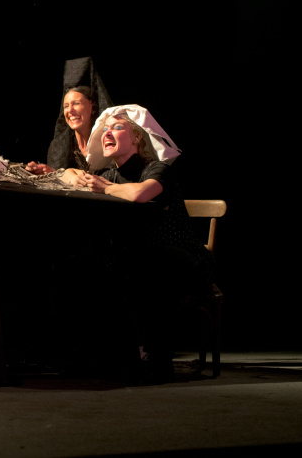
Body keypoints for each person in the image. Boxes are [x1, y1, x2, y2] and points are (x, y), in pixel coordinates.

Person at [62, 104, 214, 383]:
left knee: (145, 263)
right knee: (80, 265)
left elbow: (142, 194)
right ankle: (104, 357)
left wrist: (105, 188)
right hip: (138, 260)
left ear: (137, 138)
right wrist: (75, 176)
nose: (108, 132)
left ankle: (159, 361)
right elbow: (66, 175)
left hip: (181, 262)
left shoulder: (157, 169)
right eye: (105, 129)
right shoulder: (109, 174)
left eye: (117, 127)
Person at [26, 56, 113, 174]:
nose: (70, 110)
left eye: (76, 103)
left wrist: (60, 175)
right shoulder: (58, 146)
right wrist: (45, 172)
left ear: (93, 107)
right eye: (66, 106)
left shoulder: (108, 141)